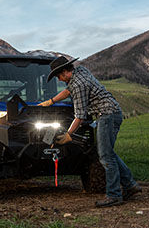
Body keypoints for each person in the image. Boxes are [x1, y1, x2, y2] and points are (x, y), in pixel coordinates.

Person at [39, 56, 142, 207]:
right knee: (108, 153)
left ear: (65, 72)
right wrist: (51, 101)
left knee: (105, 156)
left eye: (59, 76)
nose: (59, 80)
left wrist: (68, 134)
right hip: (112, 113)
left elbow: (79, 116)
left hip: (106, 116)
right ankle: (130, 185)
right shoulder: (80, 71)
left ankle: (114, 195)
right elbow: (68, 91)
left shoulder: (79, 85)